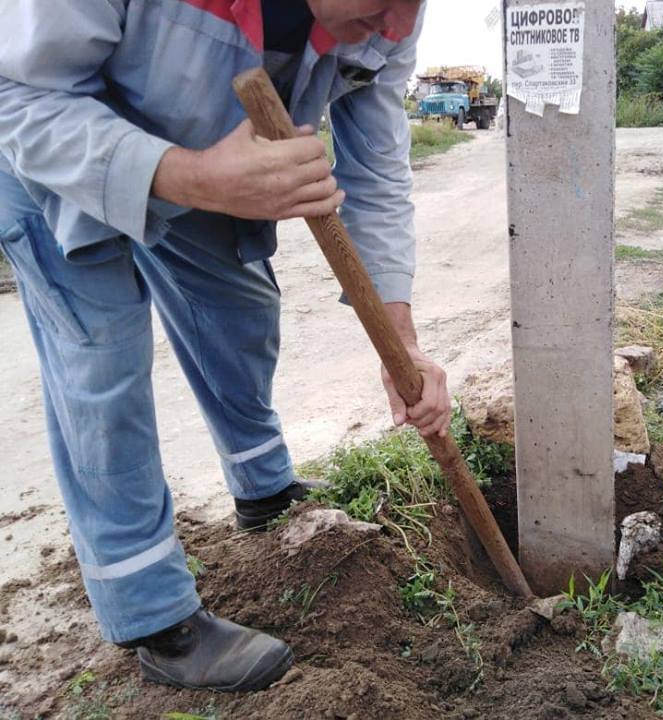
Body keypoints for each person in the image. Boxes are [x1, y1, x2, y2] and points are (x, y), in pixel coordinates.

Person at [0, 0, 450, 692]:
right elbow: (16, 94)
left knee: (241, 310)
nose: (398, 25)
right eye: (385, 4)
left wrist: (402, 344)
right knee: (104, 356)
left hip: (210, 154)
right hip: (52, 147)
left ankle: (263, 488)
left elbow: (378, 175)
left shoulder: (390, 19)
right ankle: (152, 613)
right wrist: (194, 177)